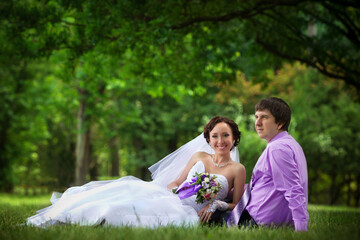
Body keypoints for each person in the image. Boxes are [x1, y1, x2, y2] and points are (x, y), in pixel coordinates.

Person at [26, 116, 246, 228]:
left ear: (234, 138)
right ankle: (68, 216)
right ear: (208, 139)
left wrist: (215, 203)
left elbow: (237, 203)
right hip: (173, 199)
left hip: (190, 212)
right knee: (127, 194)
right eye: (215, 136)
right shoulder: (199, 157)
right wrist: (170, 192)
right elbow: (176, 182)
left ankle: (99, 219)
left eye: (225, 136)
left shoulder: (237, 169)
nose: (220, 141)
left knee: (135, 216)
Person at [227, 97, 309, 231]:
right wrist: (228, 190)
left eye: (264, 117)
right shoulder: (291, 144)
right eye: (256, 117)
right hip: (262, 216)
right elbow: (265, 184)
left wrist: (301, 229)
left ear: (280, 123)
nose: (257, 123)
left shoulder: (277, 148)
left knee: (206, 213)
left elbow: (294, 190)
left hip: (257, 220)